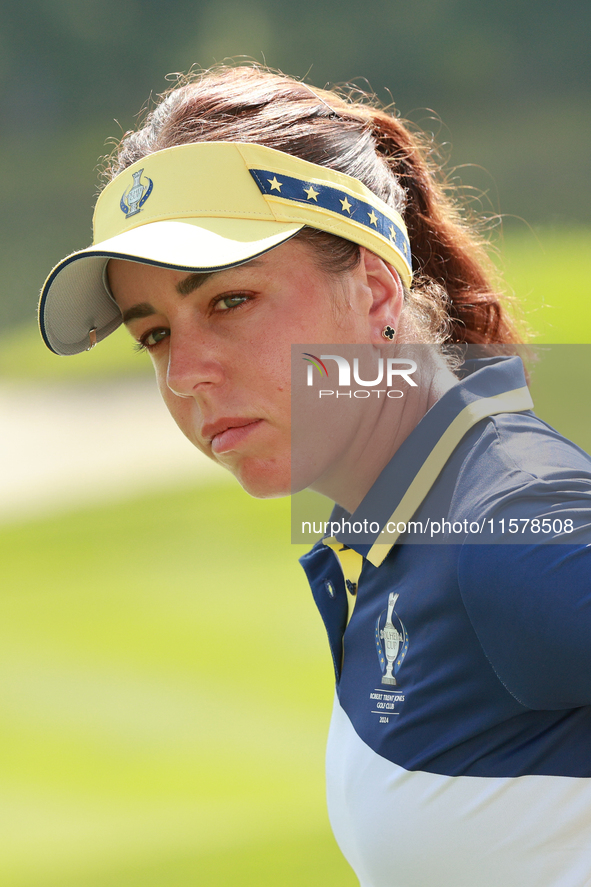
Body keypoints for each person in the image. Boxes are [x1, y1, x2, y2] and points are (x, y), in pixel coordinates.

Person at [39, 66, 591, 886]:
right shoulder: (410, 531)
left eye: (229, 301)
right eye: (152, 334)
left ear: (373, 291)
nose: (185, 371)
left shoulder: (505, 522)